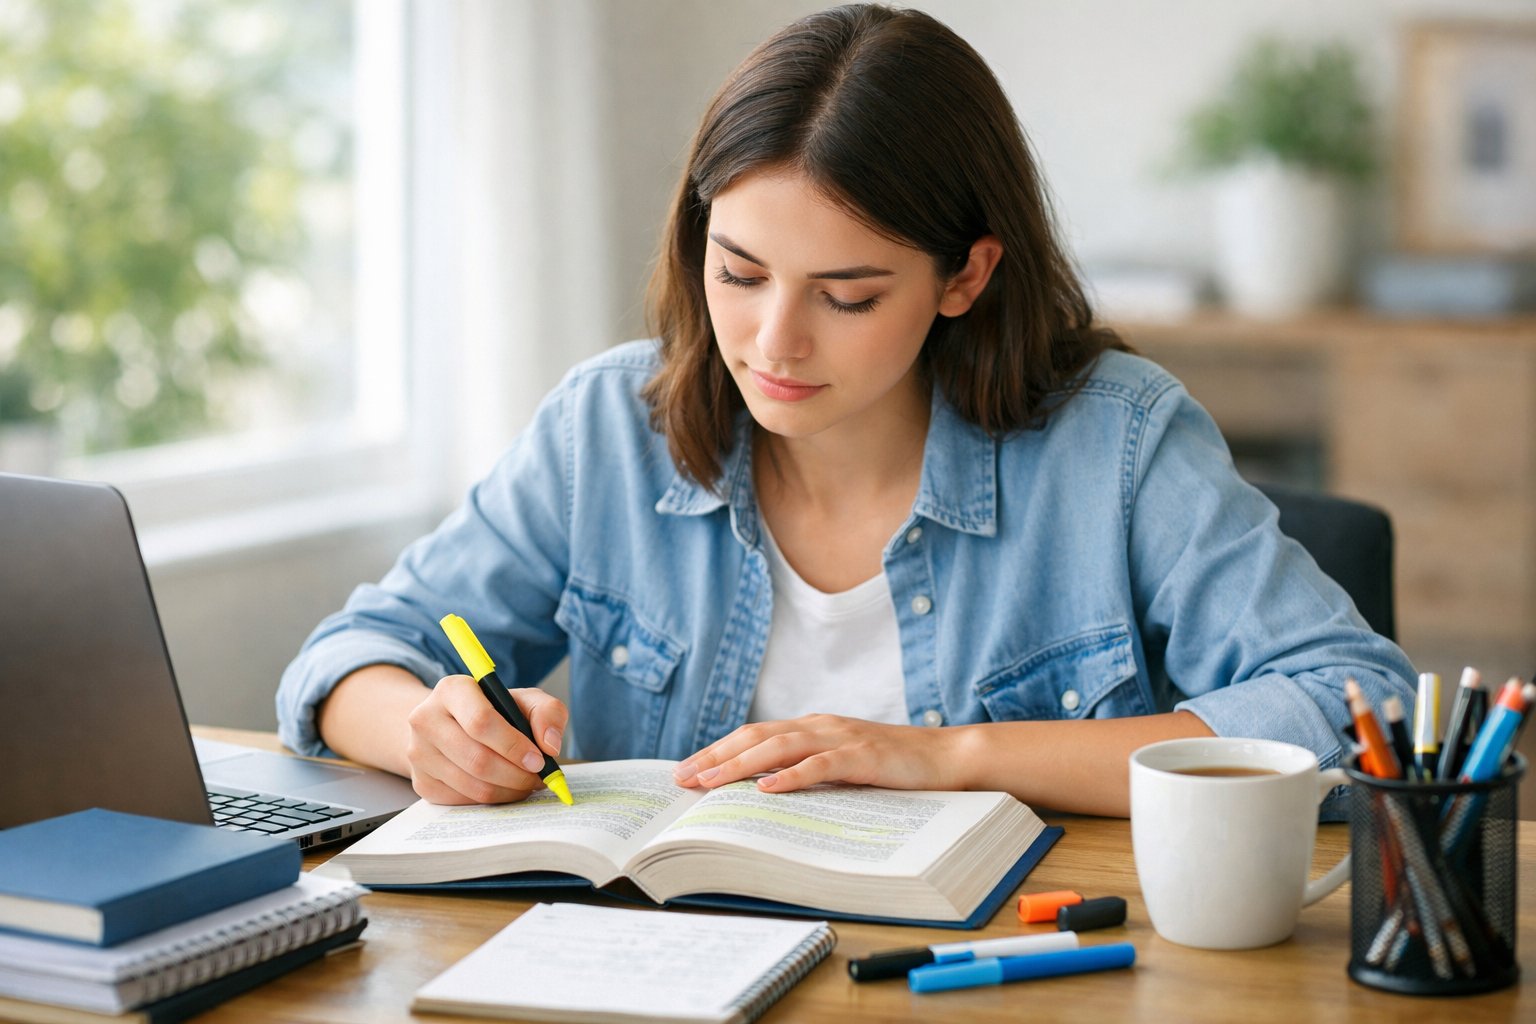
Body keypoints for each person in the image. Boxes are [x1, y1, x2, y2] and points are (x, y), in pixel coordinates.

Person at [277, 2, 1414, 819]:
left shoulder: (1113, 442)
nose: (773, 342)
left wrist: (951, 756)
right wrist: (426, 730)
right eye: (738, 271)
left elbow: (1360, 707)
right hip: (652, 970)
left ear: (964, 277)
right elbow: (351, 657)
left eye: (848, 294)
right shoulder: (605, 430)